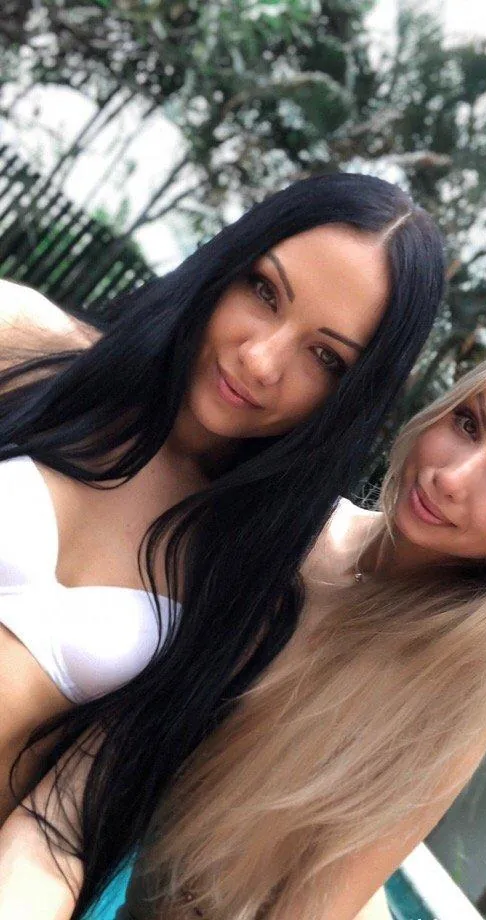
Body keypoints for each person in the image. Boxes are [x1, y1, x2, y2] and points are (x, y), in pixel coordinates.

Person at [2, 334, 486, 920]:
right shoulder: (283, 532)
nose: (452, 477)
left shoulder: (449, 700)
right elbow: (82, 787)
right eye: (467, 423)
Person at [0, 173, 445, 915]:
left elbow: (58, 832)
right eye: (265, 292)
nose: (261, 360)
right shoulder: (20, 345)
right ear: (228, 260)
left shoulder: (242, 584)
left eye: (325, 358)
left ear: (352, 398)